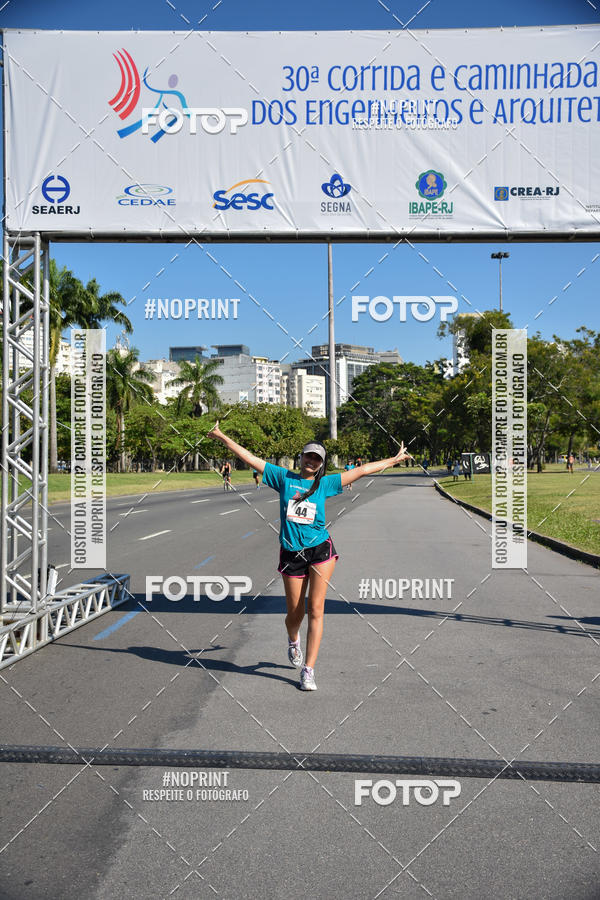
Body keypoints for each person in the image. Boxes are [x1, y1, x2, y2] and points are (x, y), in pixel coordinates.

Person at [207, 422, 411, 691]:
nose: (311, 461)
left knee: (316, 609)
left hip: (320, 549)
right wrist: (222, 437)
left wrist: (393, 460)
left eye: (317, 458)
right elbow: (250, 458)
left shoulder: (325, 483)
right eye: (308, 456)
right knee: (295, 613)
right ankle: (293, 639)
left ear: (321, 463)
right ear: (301, 457)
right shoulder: (283, 478)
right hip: (292, 553)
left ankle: (309, 670)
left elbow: (362, 470)